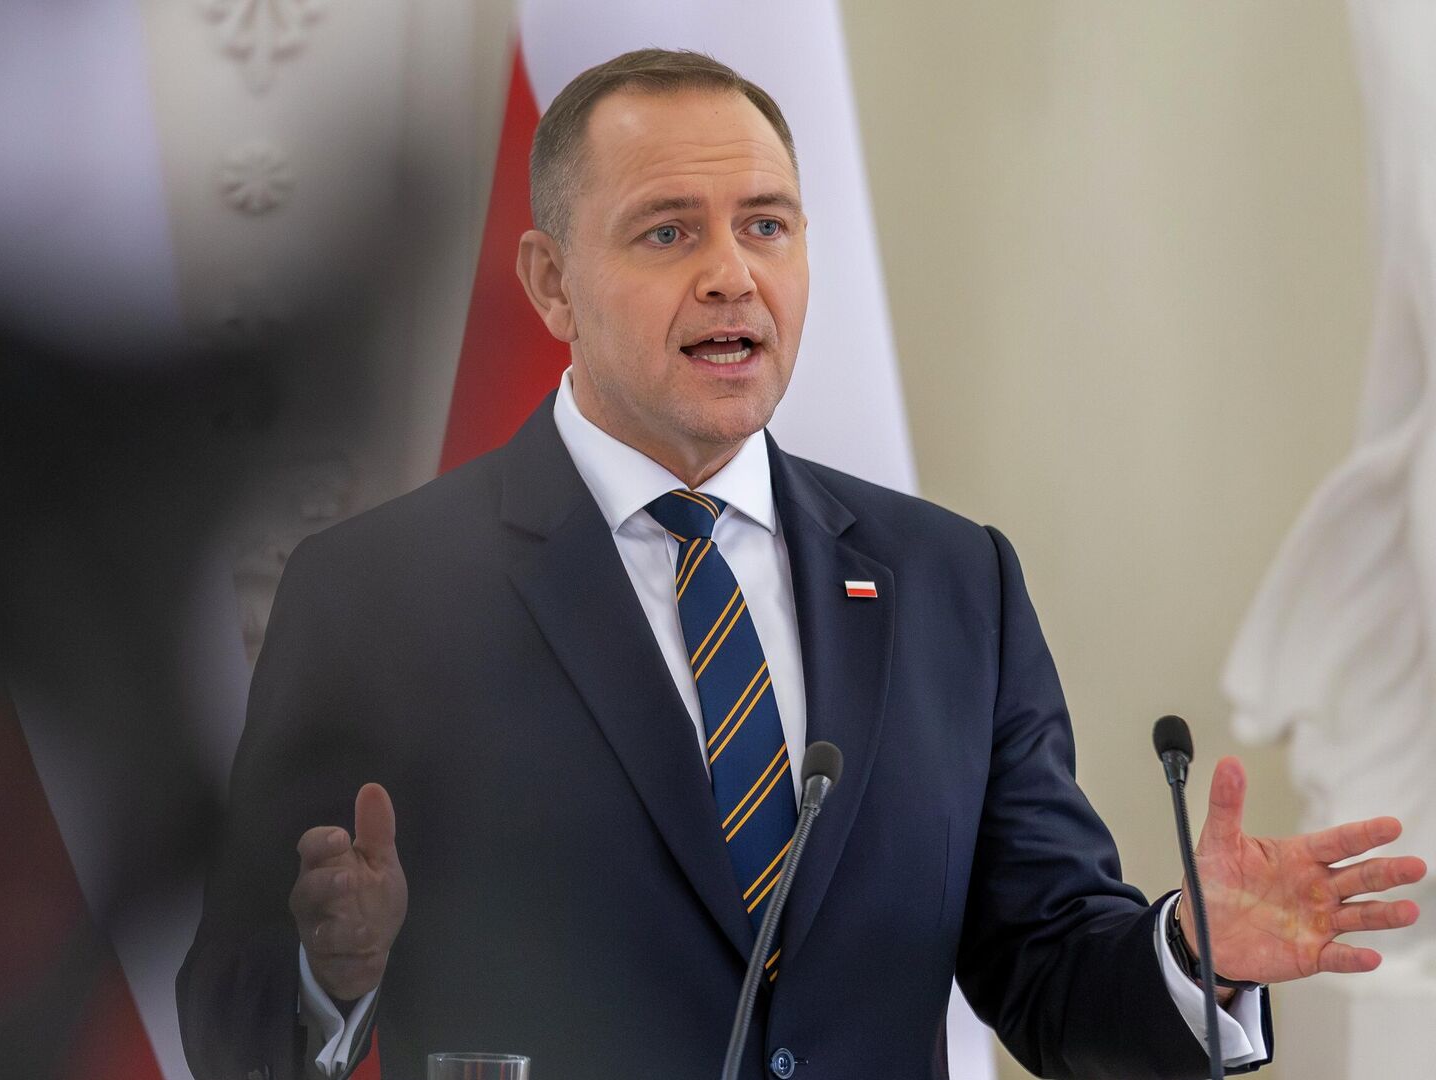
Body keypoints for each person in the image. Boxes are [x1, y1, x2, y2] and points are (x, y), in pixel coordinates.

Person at [178, 49, 1426, 1080]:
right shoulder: (379, 594)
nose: (732, 274)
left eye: (766, 225)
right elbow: (233, 1015)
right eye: (668, 231)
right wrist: (328, 973)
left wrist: (1190, 956)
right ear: (552, 284)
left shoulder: (953, 585)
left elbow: (1044, 965)